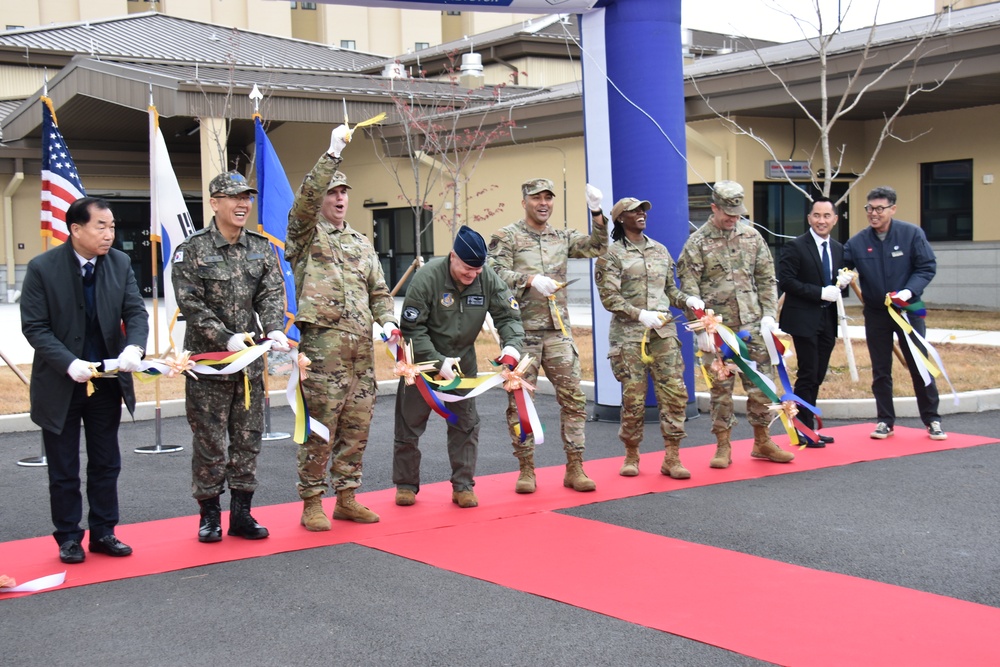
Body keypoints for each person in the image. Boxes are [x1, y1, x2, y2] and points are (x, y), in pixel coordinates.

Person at [21, 196, 149, 564]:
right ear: (76, 229)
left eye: (111, 227)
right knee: (64, 467)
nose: (110, 234)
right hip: (61, 382)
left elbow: (134, 312)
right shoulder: (42, 268)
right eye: (101, 227)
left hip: (107, 381)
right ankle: (68, 537)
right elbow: (35, 327)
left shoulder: (120, 262)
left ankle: (104, 531)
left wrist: (134, 348)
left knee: (106, 460)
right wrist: (68, 362)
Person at [285, 124, 399, 531]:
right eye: (331, 192)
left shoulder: (360, 242)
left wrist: (387, 322)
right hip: (323, 348)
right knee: (321, 427)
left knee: (357, 423)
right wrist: (331, 155)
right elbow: (304, 203)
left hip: (361, 352)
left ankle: (347, 496)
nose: (338, 198)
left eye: (342, 192)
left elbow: (380, 291)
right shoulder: (303, 234)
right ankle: (312, 501)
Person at [172, 170, 290, 543]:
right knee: (209, 441)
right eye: (235, 197)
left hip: (248, 367)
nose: (243, 204)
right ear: (214, 202)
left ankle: (241, 514)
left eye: (247, 198)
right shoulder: (192, 249)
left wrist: (272, 328)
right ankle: (209, 516)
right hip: (209, 363)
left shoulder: (259, 246)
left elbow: (272, 292)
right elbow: (189, 301)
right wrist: (225, 337)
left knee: (247, 439)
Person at [486, 178, 607, 494]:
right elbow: (493, 274)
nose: (543, 203)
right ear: (524, 201)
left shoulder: (562, 236)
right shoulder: (506, 237)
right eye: (536, 198)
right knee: (520, 403)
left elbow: (598, 246)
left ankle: (575, 468)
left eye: (548, 198)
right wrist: (529, 280)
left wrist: (597, 212)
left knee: (574, 399)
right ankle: (526, 470)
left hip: (557, 332)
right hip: (520, 334)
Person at [393, 226, 524, 509]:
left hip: (463, 362)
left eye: (477, 270)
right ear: (453, 256)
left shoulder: (485, 276)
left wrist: (512, 347)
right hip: (422, 361)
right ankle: (405, 484)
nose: (472, 276)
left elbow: (508, 315)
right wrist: (438, 361)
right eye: (466, 269)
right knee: (409, 424)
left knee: (465, 424)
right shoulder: (426, 279)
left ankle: (463, 486)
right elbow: (411, 329)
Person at [676, 180, 795, 468]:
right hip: (717, 332)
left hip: (753, 325)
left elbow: (767, 278)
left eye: (737, 213)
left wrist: (769, 315)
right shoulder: (697, 244)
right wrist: (701, 326)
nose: (733, 218)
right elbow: (688, 290)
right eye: (728, 212)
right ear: (713, 207)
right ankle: (723, 445)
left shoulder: (753, 237)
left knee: (761, 386)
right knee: (720, 390)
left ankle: (763, 440)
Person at [595, 197, 704, 479]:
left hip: (663, 333)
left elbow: (670, 291)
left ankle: (672, 456)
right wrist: (639, 314)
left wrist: (688, 300)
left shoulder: (660, 251)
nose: (642, 214)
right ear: (621, 218)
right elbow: (609, 297)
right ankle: (631, 454)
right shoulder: (612, 255)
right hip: (629, 336)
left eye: (643, 210)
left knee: (675, 394)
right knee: (634, 398)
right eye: (634, 211)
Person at [843, 185, 945, 441]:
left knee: (919, 363)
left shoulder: (911, 234)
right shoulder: (858, 241)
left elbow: (926, 267)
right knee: (880, 368)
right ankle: (885, 421)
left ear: (893, 209)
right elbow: (842, 266)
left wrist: (909, 292)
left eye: (879, 209)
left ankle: (932, 419)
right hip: (876, 311)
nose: (874, 214)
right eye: (870, 209)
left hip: (910, 307)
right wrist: (842, 277)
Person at [777, 197, 852, 447]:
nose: (822, 220)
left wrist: (842, 284)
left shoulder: (839, 249)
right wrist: (819, 292)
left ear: (834, 220)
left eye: (826, 216)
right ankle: (802, 429)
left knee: (818, 374)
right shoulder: (795, 247)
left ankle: (809, 425)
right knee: (808, 373)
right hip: (802, 319)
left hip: (827, 320)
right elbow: (786, 281)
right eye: (817, 216)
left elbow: (838, 278)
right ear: (809, 218)